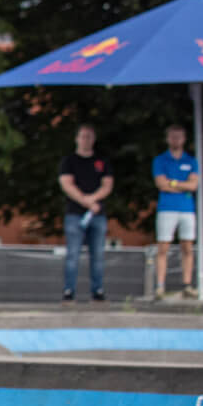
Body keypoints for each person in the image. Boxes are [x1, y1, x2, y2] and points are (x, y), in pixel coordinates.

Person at [59, 123, 113, 302]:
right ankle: (69, 291)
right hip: (75, 214)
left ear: (94, 139)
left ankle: (97, 291)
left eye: (89, 137)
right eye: (83, 136)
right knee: (73, 254)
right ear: (77, 138)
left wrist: (93, 200)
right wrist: (85, 200)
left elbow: (107, 185)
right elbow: (67, 184)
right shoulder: (69, 161)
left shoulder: (102, 161)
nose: (86, 140)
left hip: (97, 214)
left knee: (97, 255)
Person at [151, 124, 201, 299]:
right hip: (166, 208)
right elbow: (161, 184)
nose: (176, 140)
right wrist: (181, 185)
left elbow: (194, 185)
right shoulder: (160, 160)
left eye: (179, 136)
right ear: (167, 139)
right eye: (173, 136)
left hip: (186, 209)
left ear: (184, 139)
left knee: (187, 247)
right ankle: (160, 286)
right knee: (163, 247)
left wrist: (172, 183)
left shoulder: (191, 161)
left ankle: (187, 285)